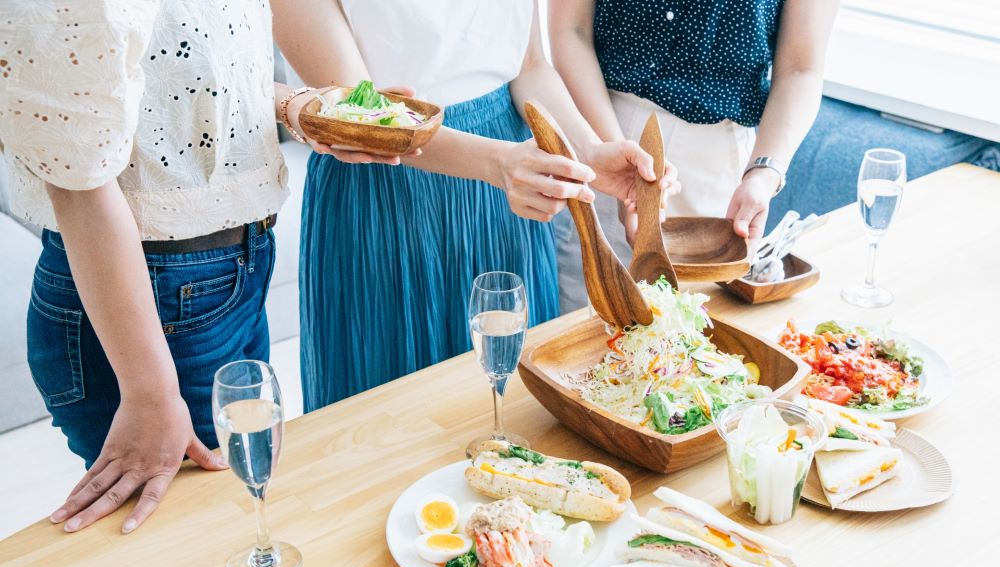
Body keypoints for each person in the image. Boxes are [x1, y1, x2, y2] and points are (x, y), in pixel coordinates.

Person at [0, 0, 385, 534]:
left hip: (234, 269)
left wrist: (297, 104)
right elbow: (77, 175)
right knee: (200, 535)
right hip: (151, 295)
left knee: (238, 510)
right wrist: (149, 391)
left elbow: (175, 83)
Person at [272, 0, 676, 411]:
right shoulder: (494, 165)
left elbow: (531, 67)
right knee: (391, 418)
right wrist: (500, 164)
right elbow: (360, 119)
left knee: (518, 412)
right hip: (385, 193)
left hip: (510, 190)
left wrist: (588, 151)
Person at [549, 0, 838, 311]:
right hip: (599, 136)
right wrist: (614, 157)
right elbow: (570, 30)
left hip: (717, 165)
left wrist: (764, 173)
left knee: (697, 333)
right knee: (584, 324)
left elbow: (801, 67)